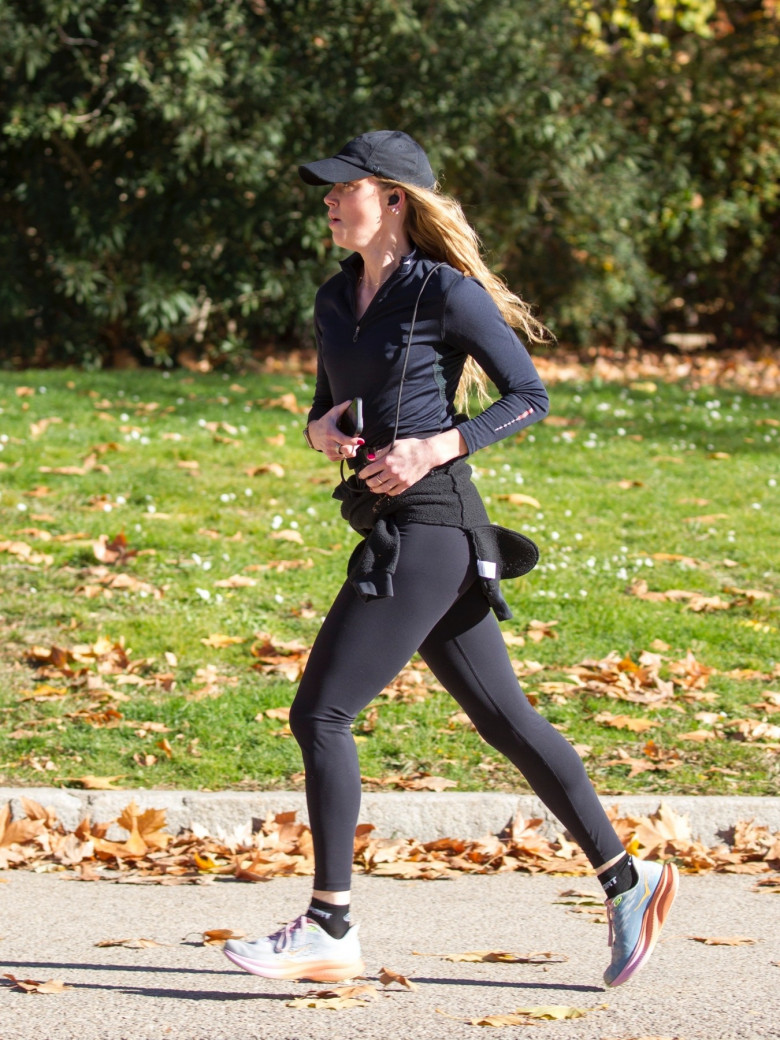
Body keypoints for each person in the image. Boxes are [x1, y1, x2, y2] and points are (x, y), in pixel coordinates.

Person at [224, 130, 678, 989]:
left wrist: (437, 446)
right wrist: (318, 429)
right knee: (507, 722)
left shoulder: (446, 294)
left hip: (435, 527)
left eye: (341, 189)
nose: (326, 202)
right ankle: (631, 878)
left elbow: (529, 397)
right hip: (389, 525)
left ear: (392, 198)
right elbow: (329, 407)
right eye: (325, 192)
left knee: (320, 714)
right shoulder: (333, 298)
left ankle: (329, 924)